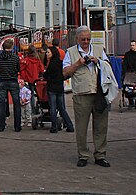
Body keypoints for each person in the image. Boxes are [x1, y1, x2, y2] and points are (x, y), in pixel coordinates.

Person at [63, 25, 111, 168]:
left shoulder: (98, 49)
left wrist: (98, 61)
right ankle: (83, 155)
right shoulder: (70, 52)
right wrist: (78, 63)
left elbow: (108, 66)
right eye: (83, 39)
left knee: (101, 126)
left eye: (88, 39)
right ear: (77, 38)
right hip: (81, 94)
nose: (85, 41)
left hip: (99, 94)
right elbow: (65, 73)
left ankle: (100, 155)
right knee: (81, 127)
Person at [43, 46, 74, 133]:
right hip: (60, 87)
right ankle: (69, 125)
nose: (46, 54)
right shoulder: (61, 62)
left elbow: (46, 75)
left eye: (48, 52)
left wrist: (45, 76)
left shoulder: (51, 63)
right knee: (61, 108)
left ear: (52, 53)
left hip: (52, 87)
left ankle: (54, 127)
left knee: (53, 107)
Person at [0, 38, 21, 132]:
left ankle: (0, 126)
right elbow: (18, 69)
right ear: (12, 46)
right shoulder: (15, 57)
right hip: (13, 81)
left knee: (1, 104)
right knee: (16, 104)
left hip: (2, 81)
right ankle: (17, 126)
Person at [20, 45, 44, 114]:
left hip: (28, 80)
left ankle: (30, 110)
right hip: (36, 79)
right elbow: (42, 70)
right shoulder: (37, 60)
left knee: (29, 95)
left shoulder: (26, 60)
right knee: (39, 95)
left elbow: (21, 68)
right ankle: (38, 108)